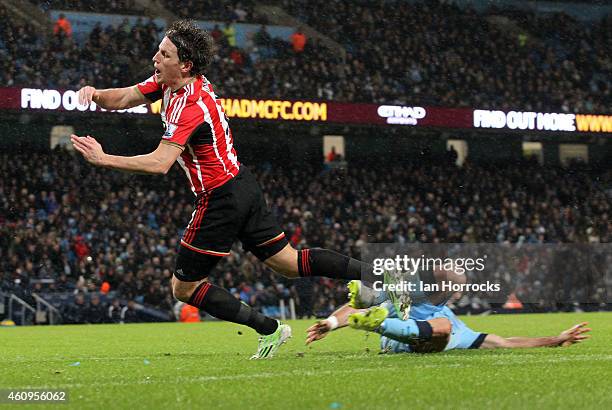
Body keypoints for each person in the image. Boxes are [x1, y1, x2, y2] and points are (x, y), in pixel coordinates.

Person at [72, 20, 371, 359]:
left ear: (185, 65)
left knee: (183, 288)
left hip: (220, 199)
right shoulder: (170, 82)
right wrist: (94, 94)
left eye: (164, 53)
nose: (155, 57)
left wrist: (104, 158)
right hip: (241, 184)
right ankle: (378, 276)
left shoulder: (190, 106)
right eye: (158, 50)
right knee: (288, 263)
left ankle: (269, 329)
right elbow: (126, 96)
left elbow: (160, 163)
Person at [306, 281, 592, 352]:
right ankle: (376, 309)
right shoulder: (427, 306)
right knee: (397, 295)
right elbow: (354, 309)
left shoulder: (463, 334)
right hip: (413, 331)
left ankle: (379, 321)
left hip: (413, 338)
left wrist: (556, 339)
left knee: (441, 327)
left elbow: (508, 342)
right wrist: (331, 323)